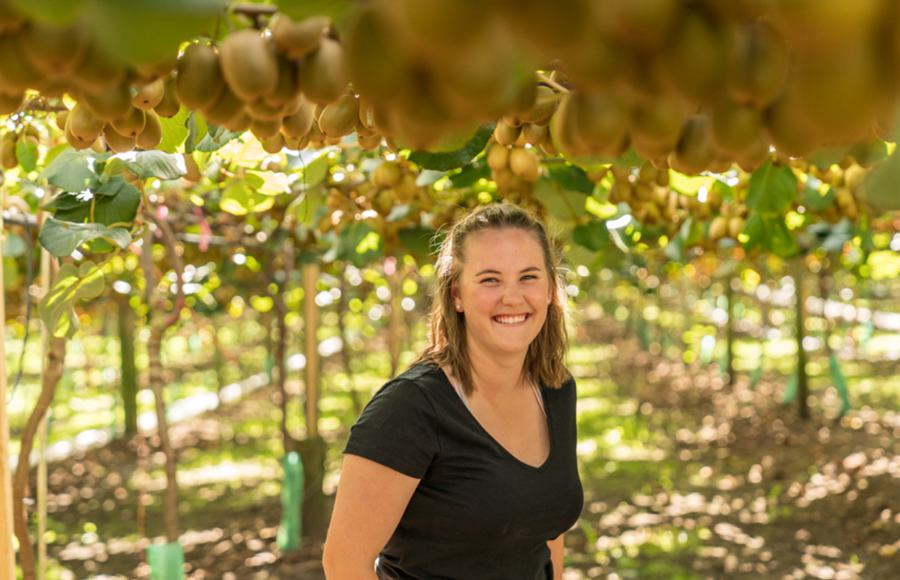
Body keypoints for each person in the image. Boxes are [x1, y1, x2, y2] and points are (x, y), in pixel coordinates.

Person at [323, 203, 583, 579]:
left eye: (528, 277)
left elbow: (547, 530)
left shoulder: (556, 389)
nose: (512, 297)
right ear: (456, 294)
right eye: (490, 280)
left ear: (549, 290)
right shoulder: (411, 408)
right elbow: (344, 564)